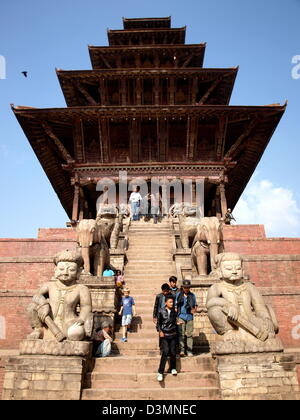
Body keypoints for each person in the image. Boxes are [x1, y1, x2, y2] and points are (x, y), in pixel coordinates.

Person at [156, 296, 178, 382]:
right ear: (166, 303)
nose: (172, 304)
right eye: (170, 302)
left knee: (173, 352)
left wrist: (177, 323)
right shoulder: (161, 311)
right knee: (165, 352)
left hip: (172, 334)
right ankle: (160, 372)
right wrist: (160, 331)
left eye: (172, 302)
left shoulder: (174, 312)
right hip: (164, 334)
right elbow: (158, 323)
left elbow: (174, 322)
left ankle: (173, 368)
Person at [175, 279, 197, 357]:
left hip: (189, 316)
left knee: (189, 334)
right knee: (181, 334)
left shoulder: (192, 295)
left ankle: (189, 350)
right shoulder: (178, 295)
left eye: (188, 287)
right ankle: (182, 350)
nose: (186, 289)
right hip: (181, 316)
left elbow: (195, 305)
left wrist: (194, 310)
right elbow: (175, 305)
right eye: (185, 287)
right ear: (183, 287)